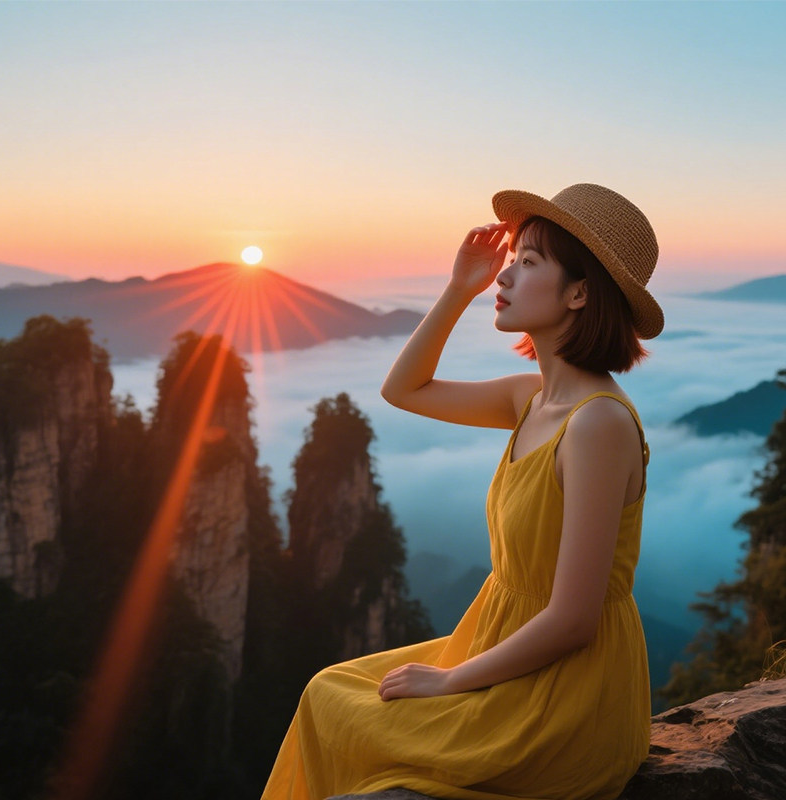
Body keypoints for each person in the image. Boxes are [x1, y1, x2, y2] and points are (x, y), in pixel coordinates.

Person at [263, 183, 663, 800]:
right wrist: (458, 289)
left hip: (567, 692)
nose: (505, 275)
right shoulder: (530, 397)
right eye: (512, 259)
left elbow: (574, 621)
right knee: (327, 691)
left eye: (529, 263)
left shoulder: (598, 424)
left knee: (348, 717)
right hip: (500, 643)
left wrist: (450, 684)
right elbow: (405, 390)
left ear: (580, 293)